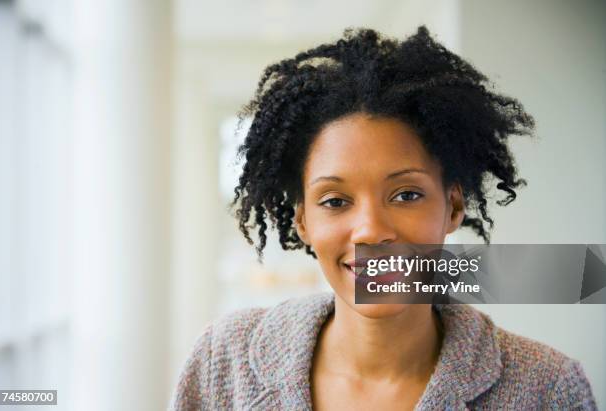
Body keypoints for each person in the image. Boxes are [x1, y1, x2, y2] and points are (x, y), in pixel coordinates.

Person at [169, 26, 597, 410]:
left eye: (406, 194)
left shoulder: (547, 388)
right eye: (335, 201)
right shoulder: (222, 362)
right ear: (303, 222)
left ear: (453, 206)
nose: (371, 229)